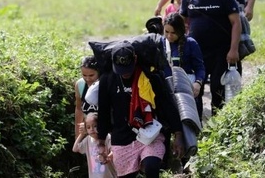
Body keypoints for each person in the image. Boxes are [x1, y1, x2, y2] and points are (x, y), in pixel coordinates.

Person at [96, 41, 185, 178]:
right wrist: (101, 140)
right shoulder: (107, 79)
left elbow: (167, 104)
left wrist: (178, 133)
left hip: (150, 133)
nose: (125, 73)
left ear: (135, 59)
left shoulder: (150, 77)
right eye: (121, 70)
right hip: (121, 137)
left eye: (128, 69)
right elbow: (104, 111)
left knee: (152, 166)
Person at [179, 0, 242, 117]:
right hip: (197, 52)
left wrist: (234, 49)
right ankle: (197, 124)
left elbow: (236, 23)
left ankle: (217, 124)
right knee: (195, 88)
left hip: (221, 51)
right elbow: (182, 23)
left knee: (217, 87)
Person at [162, 12, 206, 119]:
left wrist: (198, 83)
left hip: (188, 87)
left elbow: (200, 67)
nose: (169, 36)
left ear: (180, 31)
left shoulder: (191, 43)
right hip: (168, 88)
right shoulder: (161, 43)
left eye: (173, 33)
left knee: (190, 120)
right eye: (166, 32)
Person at [73, 112, 117, 178]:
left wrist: (107, 157)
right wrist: (82, 134)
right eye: (88, 127)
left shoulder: (107, 137)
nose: (92, 129)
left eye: (95, 126)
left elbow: (115, 152)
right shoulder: (88, 140)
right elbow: (75, 148)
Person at [75, 56, 100, 138]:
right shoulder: (80, 85)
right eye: (84, 75)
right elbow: (79, 109)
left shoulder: (105, 85)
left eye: (91, 75)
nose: (88, 79)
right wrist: (77, 135)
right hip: (89, 133)